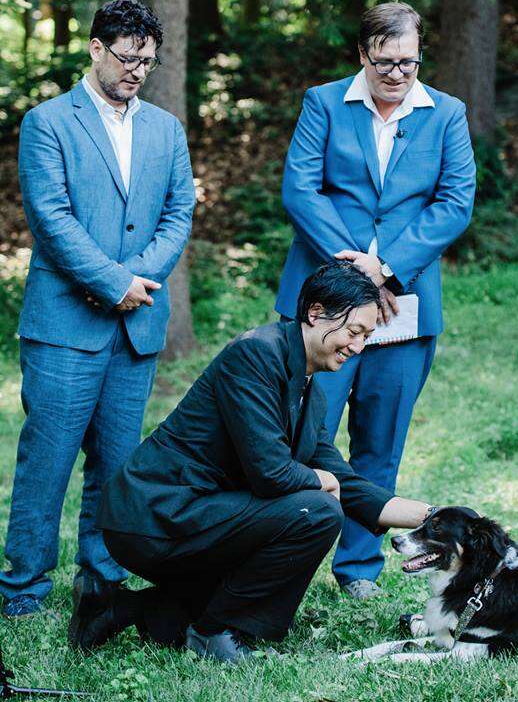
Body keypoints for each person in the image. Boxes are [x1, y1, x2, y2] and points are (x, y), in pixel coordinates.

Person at [73, 262, 434, 663]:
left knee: (316, 504)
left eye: (366, 336)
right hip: (153, 516)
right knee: (314, 512)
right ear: (315, 314)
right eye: (354, 332)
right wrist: (322, 481)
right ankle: (215, 631)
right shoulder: (255, 354)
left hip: (201, 514)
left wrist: (442, 518)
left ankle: (116, 608)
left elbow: (348, 484)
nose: (358, 347)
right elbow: (271, 473)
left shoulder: (309, 392)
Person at [0, 0, 195, 620]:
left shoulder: (167, 128)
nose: (137, 69)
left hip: (136, 326)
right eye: (127, 56)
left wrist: (139, 280)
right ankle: (25, 587)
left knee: (117, 464)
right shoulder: (48, 122)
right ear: (95, 48)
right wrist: (114, 281)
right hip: (64, 324)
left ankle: (101, 576)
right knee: (47, 461)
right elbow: (50, 217)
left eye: (148, 60)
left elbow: (178, 212)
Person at [276, 1, 475, 599]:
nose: (397, 74)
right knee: (303, 434)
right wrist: (357, 268)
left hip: (406, 304)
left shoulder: (446, 114)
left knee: (380, 438)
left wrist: (388, 265)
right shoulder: (323, 103)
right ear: (363, 54)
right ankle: (283, 556)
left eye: (409, 62)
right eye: (385, 62)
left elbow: (454, 202)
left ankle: (358, 569)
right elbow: (300, 189)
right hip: (328, 303)